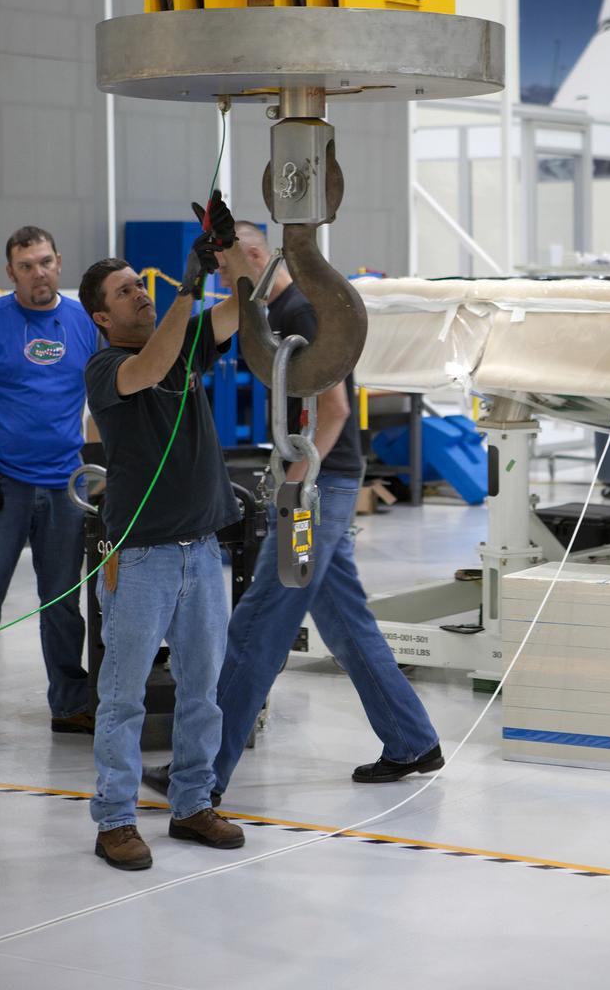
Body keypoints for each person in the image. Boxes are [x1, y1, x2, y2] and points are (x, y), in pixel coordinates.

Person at [143, 219, 442, 806]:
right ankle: (412, 741)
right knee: (346, 624)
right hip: (320, 483)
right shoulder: (269, 312)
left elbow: (333, 410)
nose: (226, 282)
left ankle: (199, 775)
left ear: (255, 255)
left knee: (257, 625)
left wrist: (296, 488)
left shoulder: (299, 313)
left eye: (229, 270)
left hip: (319, 489)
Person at [78, 192, 250, 871]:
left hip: (202, 552)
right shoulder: (105, 369)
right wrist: (187, 284)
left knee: (202, 689)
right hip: (141, 559)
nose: (139, 297)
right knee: (121, 696)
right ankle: (115, 818)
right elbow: (147, 370)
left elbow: (243, 307)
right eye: (125, 293)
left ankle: (191, 804)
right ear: (102, 316)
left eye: (141, 287)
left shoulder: (186, 348)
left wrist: (228, 251)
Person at [0, 226, 99, 733]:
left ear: (59, 262)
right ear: (10, 273)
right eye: (25, 265)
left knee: (62, 601)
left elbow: (106, 394)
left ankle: (68, 704)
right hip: (5, 484)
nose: (37, 273)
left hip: (67, 483)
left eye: (44, 262)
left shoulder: (83, 322)